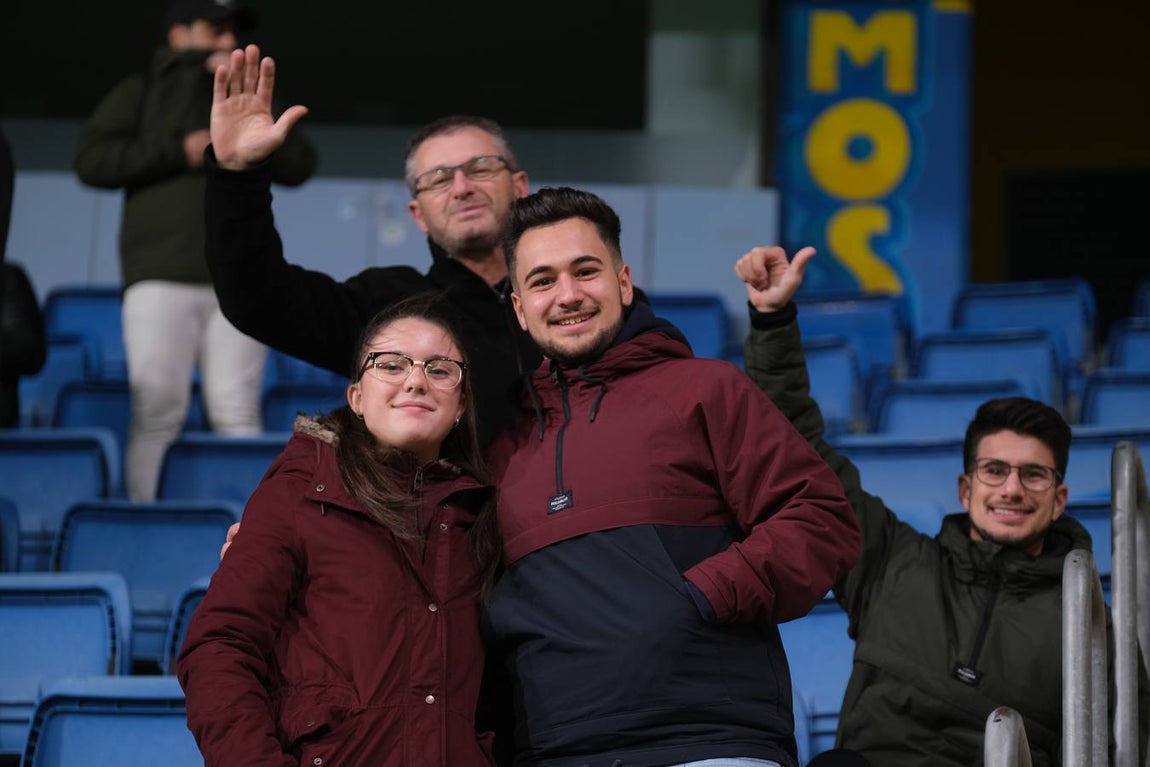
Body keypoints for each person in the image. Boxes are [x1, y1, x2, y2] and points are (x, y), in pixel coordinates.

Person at [480, 187, 861, 767]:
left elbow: (820, 517)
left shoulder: (707, 389)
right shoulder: (501, 447)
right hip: (551, 751)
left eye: (587, 271)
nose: (568, 295)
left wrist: (704, 596)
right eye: (542, 280)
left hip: (708, 739)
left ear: (624, 282)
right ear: (518, 308)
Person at [734, 245, 1149, 767]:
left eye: (1034, 474)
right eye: (994, 471)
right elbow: (797, 452)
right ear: (965, 488)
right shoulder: (892, 562)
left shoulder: (1090, 626)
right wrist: (772, 321)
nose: (1012, 489)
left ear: (1060, 498)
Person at [177, 295, 500, 767]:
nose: (415, 380)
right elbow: (219, 647)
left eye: (439, 369)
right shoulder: (299, 489)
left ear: (460, 405)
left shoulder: (484, 518)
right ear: (357, 399)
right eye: (390, 365)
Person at [205, 44, 540, 447]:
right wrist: (238, 176)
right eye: (437, 179)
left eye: (480, 168)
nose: (462, 188)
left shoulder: (575, 297)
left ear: (520, 187)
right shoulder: (387, 306)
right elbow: (258, 300)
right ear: (418, 214)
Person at [73, 4, 317, 500]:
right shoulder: (140, 89)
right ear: (178, 34)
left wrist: (252, 128)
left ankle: (258, 537)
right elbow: (91, 161)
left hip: (241, 277)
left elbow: (299, 164)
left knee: (237, 409)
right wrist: (180, 148)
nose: (227, 38)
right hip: (159, 272)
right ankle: (146, 525)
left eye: (232, 30)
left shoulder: (250, 87)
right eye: (214, 28)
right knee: (157, 412)